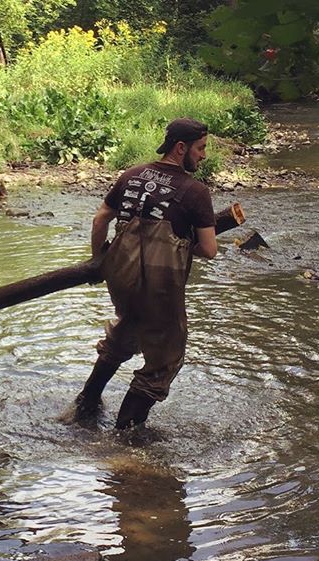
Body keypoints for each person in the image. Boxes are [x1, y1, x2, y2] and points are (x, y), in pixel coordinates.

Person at [76, 117, 218, 429]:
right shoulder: (195, 192)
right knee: (164, 360)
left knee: (124, 334)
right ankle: (126, 430)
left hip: (123, 280)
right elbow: (209, 249)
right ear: (181, 148)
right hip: (160, 286)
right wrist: (186, 242)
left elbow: (101, 219)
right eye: (201, 148)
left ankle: (84, 404)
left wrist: (97, 259)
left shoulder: (132, 175)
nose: (204, 155)